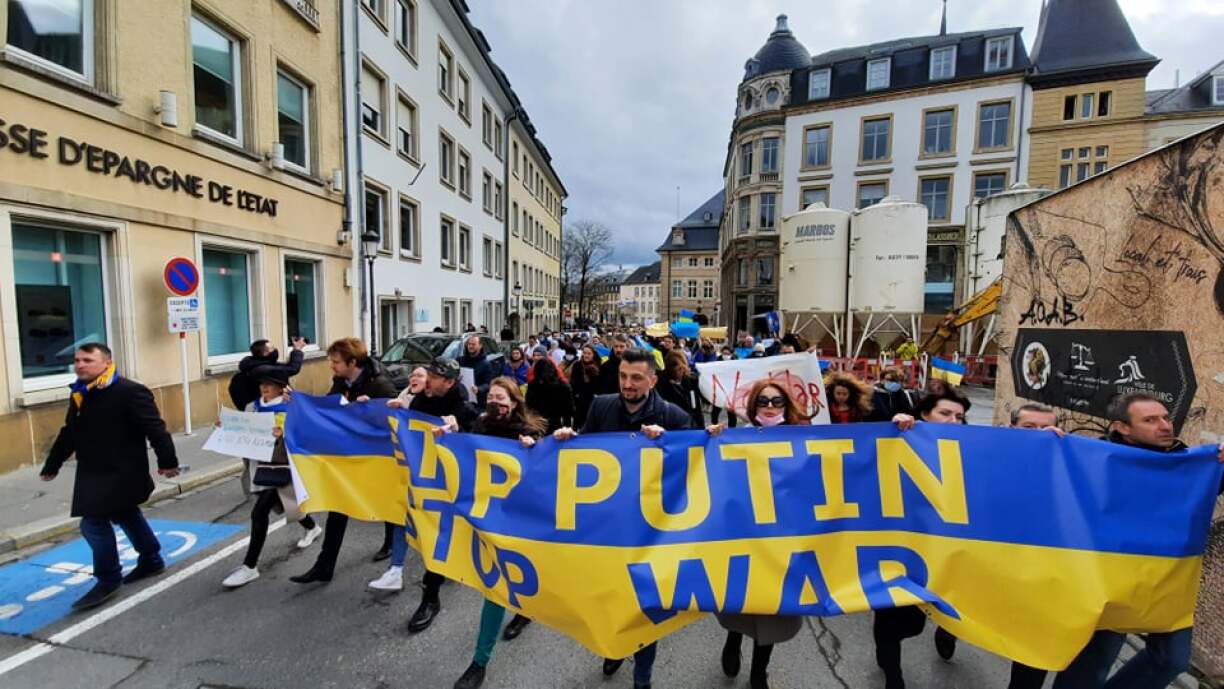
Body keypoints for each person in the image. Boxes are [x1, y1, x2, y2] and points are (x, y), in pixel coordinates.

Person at [1053, 393, 1224, 689]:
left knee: (1172, 660)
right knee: (1093, 663)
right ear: (1122, 427)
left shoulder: (1189, 465)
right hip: (1109, 582)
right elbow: (1044, 480)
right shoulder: (1093, 459)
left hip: (1166, 583)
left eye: (1165, 418)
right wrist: (1040, 445)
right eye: (1150, 420)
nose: (1165, 425)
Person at [553, 347, 693, 689]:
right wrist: (566, 442)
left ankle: (642, 675)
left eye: (636, 378)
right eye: (623, 376)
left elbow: (694, 470)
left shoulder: (674, 417)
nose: (627, 384)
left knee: (647, 610)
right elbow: (583, 453)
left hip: (651, 535)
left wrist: (669, 445)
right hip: (608, 531)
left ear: (653, 379)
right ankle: (615, 647)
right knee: (611, 598)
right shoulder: (601, 406)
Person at [39, 343, 179, 610]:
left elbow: (156, 429)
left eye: (87, 360)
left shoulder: (130, 391)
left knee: (92, 524)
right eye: (77, 360)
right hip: (93, 470)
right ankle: (151, 559)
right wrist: (52, 464)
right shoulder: (80, 392)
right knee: (126, 513)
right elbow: (70, 431)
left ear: (106, 363)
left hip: (123, 471)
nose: (80, 365)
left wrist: (168, 462)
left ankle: (108, 578)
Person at [706, 379, 808, 689]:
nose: (770, 406)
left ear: (787, 405)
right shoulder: (736, 438)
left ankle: (759, 669)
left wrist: (900, 425)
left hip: (784, 540)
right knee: (740, 599)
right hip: (745, 536)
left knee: (772, 608)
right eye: (763, 401)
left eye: (777, 401)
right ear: (753, 406)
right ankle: (733, 639)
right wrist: (711, 441)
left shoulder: (806, 439)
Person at [451, 378, 547, 689]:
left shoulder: (529, 434)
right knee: (497, 585)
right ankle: (485, 656)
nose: (495, 403)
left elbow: (546, 476)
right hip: (487, 518)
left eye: (501, 398)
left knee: (502, 585)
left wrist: (534, 452)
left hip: (519, 523)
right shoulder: (480, 425)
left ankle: (482, 658)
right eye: (490, 397)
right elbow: (466, 456)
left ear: (515, 401)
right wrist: (450, 436)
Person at [878, 381, 971, 689]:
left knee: (930, 613)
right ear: (924, 415)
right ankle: (893, 674)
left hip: (949, 548)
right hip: (901, 547)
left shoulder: (971, 447)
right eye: (945, 413)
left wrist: (1045, 443)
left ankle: (946, 629)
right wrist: (896, 429)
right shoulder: (904, 438)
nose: (952, 422)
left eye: (959, 417)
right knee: (895, 617)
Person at [290, 338, 398, 584]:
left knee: (387, 502)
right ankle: (324, 566)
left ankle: (391, 543)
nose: (331, 366)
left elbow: (392, 418)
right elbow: (329, 409)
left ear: (353, 362)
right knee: (338, 506)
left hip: (374, 458)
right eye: (330, 360)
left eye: (336, 361)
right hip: (348, 456)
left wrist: (369, 409)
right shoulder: (340, 381)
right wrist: (300, 404)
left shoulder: (380, 385)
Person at [221, 370, 321, 588]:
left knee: (260, 512)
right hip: (259, 465)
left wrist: (283, 435)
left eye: (270, 384)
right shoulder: (252, 406)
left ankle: (249, 566)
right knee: (286, 503)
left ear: (280, 387)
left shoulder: (291, 406)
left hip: (284, 465)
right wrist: (226, 429)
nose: (264, 388)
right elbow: (244, 432)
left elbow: (305, 434)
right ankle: (312, 527)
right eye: (262, 384)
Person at [405, 358, 480, 633]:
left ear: (449, 383)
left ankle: (430, 597)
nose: (429, 381)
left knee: (444, 535)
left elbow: (478, 441)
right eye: (429, 375)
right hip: (426, 478)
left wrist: (458, 430)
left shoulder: (462, 407)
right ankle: (432, 590)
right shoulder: (419, 400)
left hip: (454, 485)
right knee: (434, 535)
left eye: (435, 377)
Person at [369, 366, 430, 591]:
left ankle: (446, 567)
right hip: (405, 470)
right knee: (402, 517)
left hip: (429, 474)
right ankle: (396, 570)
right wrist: (367, 407)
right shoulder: (401, 397)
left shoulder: (431, 402)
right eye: (413, 374)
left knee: (431, 523)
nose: (414, 378)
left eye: (420, 375)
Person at [229, 337, 306, 412]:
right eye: (272, 348)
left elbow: (285, 368)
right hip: (266, 411)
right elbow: (292, 368)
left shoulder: (257, 365)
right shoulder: (263, 370)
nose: (275, 350)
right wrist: (297, 350)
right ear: (265, 353)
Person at [656, 350, 704, 429]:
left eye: (683, 369)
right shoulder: (661, 384)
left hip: (691, 424)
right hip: (670, 426)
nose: (681, 372)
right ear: (670, 369)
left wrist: (700, 428)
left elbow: (697, 408)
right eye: (679, 369)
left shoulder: (690, 381)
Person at [526, 358, 574, 433]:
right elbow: (568, 409)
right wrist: (566, 427)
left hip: (538, 423)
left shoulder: (534, 385)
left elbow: (529, 405)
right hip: (554, 423)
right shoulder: (563, 386)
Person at [568, 345, 602, 429]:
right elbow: (573, 382)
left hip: (593, 400)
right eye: (584, 353)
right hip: (580, 400)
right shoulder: (577, 365)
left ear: (593, 354)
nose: (586, 355)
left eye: (589, 353)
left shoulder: (598, 366)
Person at [457, 335, 493, 407]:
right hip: (460, 399)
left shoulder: (486, 364)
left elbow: (488, 384)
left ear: (480, 346)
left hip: (477, 402)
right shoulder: (459, 360)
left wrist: (479, 389)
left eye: (473, 344)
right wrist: (456, 379)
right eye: (469, 344)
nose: (470, 346)